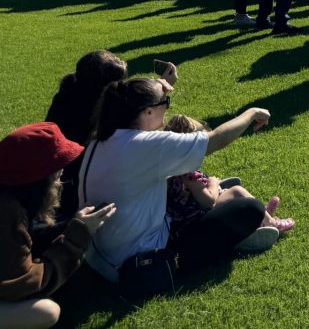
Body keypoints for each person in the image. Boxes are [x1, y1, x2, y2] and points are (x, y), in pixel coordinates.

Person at [79, 78, 277, 286]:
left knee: (217, 195)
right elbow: (215, 139)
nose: (167, 109)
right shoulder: (145, 145)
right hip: (141, 263)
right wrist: (252, 112)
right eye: (165, 103)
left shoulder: (101, 141)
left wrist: (157, 90)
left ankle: (220, 199)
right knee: (249, 209)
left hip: (101, 259)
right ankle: (238, 236)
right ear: (147, 111)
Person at [0, 123, 117, 328]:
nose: (61, 175)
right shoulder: (7, 214)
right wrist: (76, 236)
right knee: (45, 312)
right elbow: (21, 286)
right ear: (35, 179)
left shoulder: (11, 196)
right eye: (55, 171)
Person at [44, 51, 140, 218]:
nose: (121, 87)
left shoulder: (69, 92)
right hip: (73, 180)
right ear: (103, 88)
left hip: (60, 174)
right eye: (117, 83)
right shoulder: (97, 113)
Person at [164, 115, 294, 237]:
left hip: (187, 219)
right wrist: (213, 184)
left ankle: (260, 214)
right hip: (197, 221)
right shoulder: (189, 176)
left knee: (229, 192)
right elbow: (209, 202)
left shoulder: (171, 170)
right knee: (236, 191)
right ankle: (271, 222)